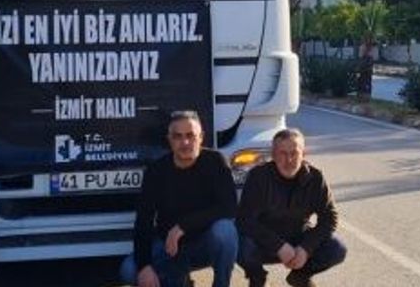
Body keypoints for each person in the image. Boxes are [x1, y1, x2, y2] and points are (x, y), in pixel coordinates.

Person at [120, 110, 238, 287]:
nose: (185, 142)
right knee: (129, 271)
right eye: (178, 136)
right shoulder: (156, 171)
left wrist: (182, 226)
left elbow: (229, 207)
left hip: (205, 244)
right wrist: (144, 266)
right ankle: (179, 279)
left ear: (201, 137)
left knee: (225, 230)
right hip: (169, 247)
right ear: (169, 140)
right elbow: (143, 221)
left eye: (191, 135)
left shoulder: (215, 161)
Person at [235, 128, 346, 287]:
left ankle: (300, 277)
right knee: (240, 246)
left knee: (337, 249)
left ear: (304, 154)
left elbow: (330, 218)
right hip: (263, 241)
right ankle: (257, 278)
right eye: (282, 153)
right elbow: (245, 220)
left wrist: (306, 248)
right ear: (273, 155)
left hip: (297, 237)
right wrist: (278, 246)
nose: (289, 159)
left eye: (294, 153)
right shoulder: (258, 177)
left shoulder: (315, 178)